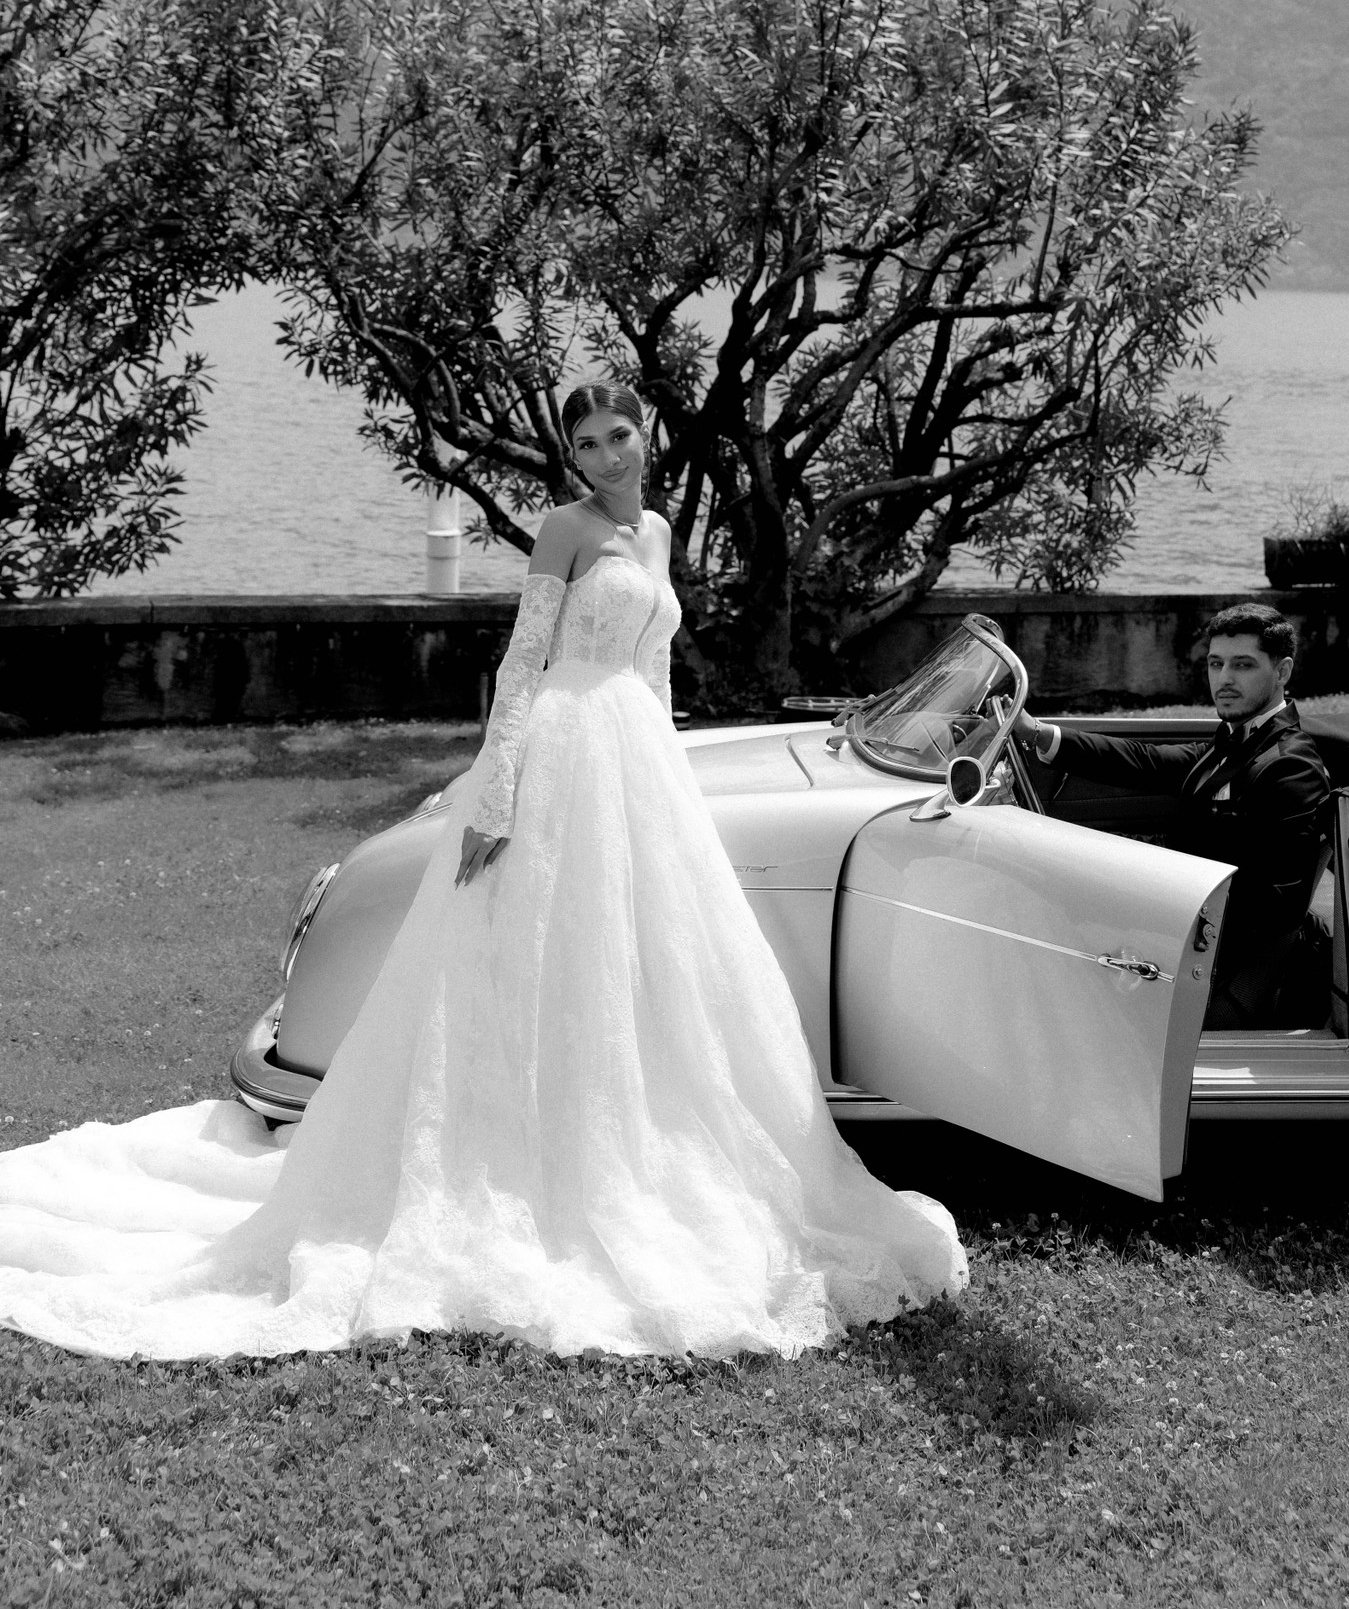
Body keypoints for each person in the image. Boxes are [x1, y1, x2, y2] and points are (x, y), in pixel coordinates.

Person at [0, 383, 966, 1359]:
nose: (604, 454)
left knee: (644, 970)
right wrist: (495, 797)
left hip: (637, 767)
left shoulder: (664, 533)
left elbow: (654, 674)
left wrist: (674, 783)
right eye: (585, 442)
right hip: (560, 752)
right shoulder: (565, 529)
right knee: (529, 958)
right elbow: (523, 663)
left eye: (618, 434)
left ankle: (627, 1156)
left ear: (647, 435)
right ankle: (516, 1171)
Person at [1012, 602, 1333, 1028]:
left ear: (1283, 671)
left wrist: (1146, 902)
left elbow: (1274, 907)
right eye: (1216, 664)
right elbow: (1143, 760)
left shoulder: (1289, 766)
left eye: (1243, 665)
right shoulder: (1234, 742)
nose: (1225, 679)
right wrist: (1034, 733)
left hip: (1222, 968)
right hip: (1190, 940)